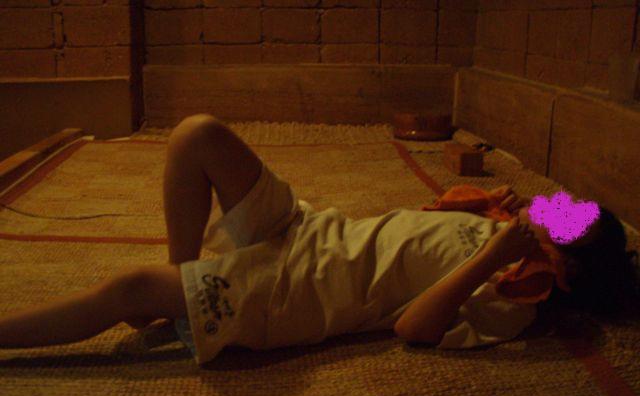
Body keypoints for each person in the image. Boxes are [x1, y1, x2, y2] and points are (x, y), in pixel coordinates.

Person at [1, 114, 638, 365]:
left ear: (566, 268)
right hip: (310, 229)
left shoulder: (518, 298)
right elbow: (420, 228)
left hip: (303, 289)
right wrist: (485, 211)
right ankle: (181, 292)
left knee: (127, 288)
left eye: (564, 222)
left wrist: (492, 257)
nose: (550, 210)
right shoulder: (503, 229)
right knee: (197, 135)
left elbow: (414, 327)